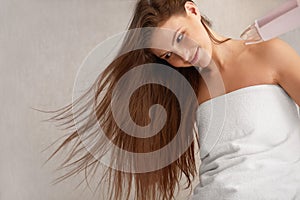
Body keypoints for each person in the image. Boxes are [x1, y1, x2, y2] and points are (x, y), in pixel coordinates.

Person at [43, 0, 300, 199]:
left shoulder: (268, 53)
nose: (182, 56)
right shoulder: (191, 89)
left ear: (192, 10)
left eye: (179, 37)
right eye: (168, 54)